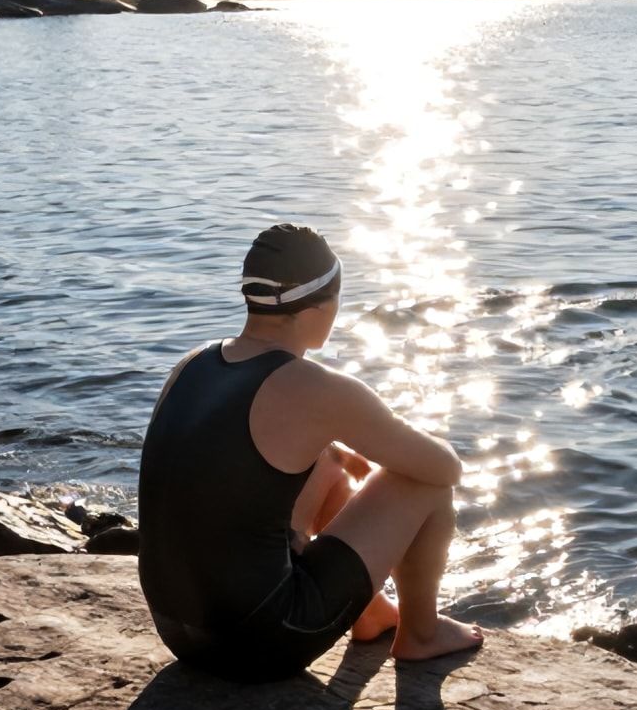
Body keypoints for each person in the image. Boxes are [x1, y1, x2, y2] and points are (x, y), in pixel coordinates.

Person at [137, 224, 482, 683]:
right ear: (321, 307)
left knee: (329, 458)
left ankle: (372, 614)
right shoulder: (314, 386)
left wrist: (334, 445)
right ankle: (421, 633)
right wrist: (388, 444)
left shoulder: (194, 362)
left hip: (178, 632)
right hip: (260, 642)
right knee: (424, 481)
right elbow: (445, 468)